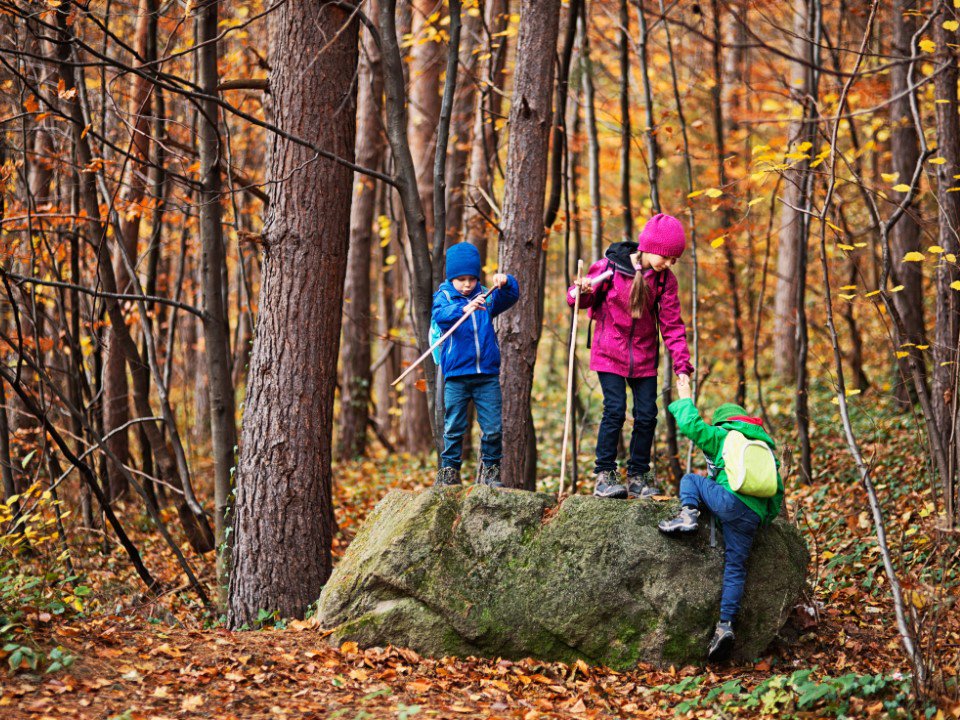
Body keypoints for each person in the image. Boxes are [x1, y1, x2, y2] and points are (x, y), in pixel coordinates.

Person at [658, 374, 785, 662]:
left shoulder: (724, 436)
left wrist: (684, 398)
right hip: (752, 516)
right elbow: (776, 492)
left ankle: (688, 515)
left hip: (729, 501)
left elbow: (691, 426)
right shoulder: (765, 449)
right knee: (736, 568)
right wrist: (763, 519)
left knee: (691, 479)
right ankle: (725, 625)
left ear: (724, 421)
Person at [568, 213, 693, 500]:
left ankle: (638, 475)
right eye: (667, 256)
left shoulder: (664, 281)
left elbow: (672, 324)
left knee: (647, 415)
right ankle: (604, 475)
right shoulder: (609, 267)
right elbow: (577, 299)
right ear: (650, 246)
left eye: (674, 259)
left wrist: (682, 365)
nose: (669, 263)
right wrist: (581, 290)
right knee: (614, 409)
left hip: (645, 356)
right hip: (609, 351)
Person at [432, 242, 519, 488]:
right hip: (457, 375)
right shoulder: (444, 296)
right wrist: (464, 308)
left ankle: (491, 471)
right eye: (461, 279)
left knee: (492, 428)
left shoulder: (486, 296)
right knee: (454, 427)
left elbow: (511, 296)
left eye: (471, 278)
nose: (468, 284)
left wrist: (507, 281)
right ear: (452, 278)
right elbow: (441, 315)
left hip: (486, 375)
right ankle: (448, 470)